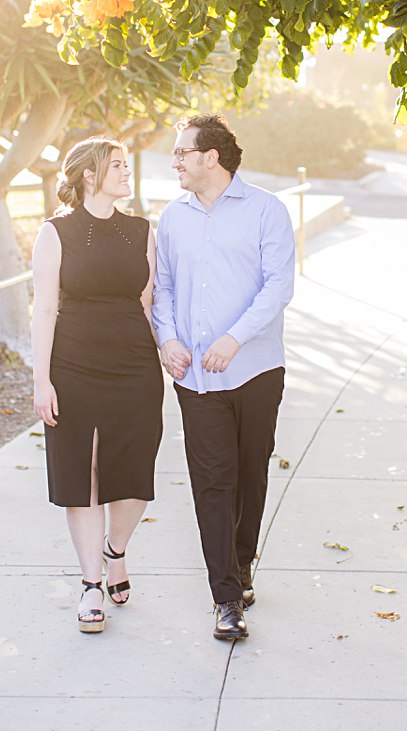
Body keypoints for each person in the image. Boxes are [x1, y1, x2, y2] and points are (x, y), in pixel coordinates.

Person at [152, 115, 295, 641]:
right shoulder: (172, 218)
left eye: (181, 153)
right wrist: (167, 338)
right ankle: (226, 597)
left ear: (211, 157)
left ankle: (242, 560)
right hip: (195, 380)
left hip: (256, 369)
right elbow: (162, 288)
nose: (175, 162)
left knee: (250, 475)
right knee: (212, 482)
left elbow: (278, 286)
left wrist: (234, 338)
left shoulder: (266, 211)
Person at [31, 138, 164, 633]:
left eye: (128, 166)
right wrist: (41, 379)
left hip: (134, 364)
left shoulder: (142, 231)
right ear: (90, 175)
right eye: (119, 167)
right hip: (73, 364)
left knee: (133, 470)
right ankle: (90, 585)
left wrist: (168, 349)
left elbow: (149, 304)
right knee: (80, 471)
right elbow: (44, 307)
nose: (127, 174)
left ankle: (116, 551)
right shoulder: (55, 232)